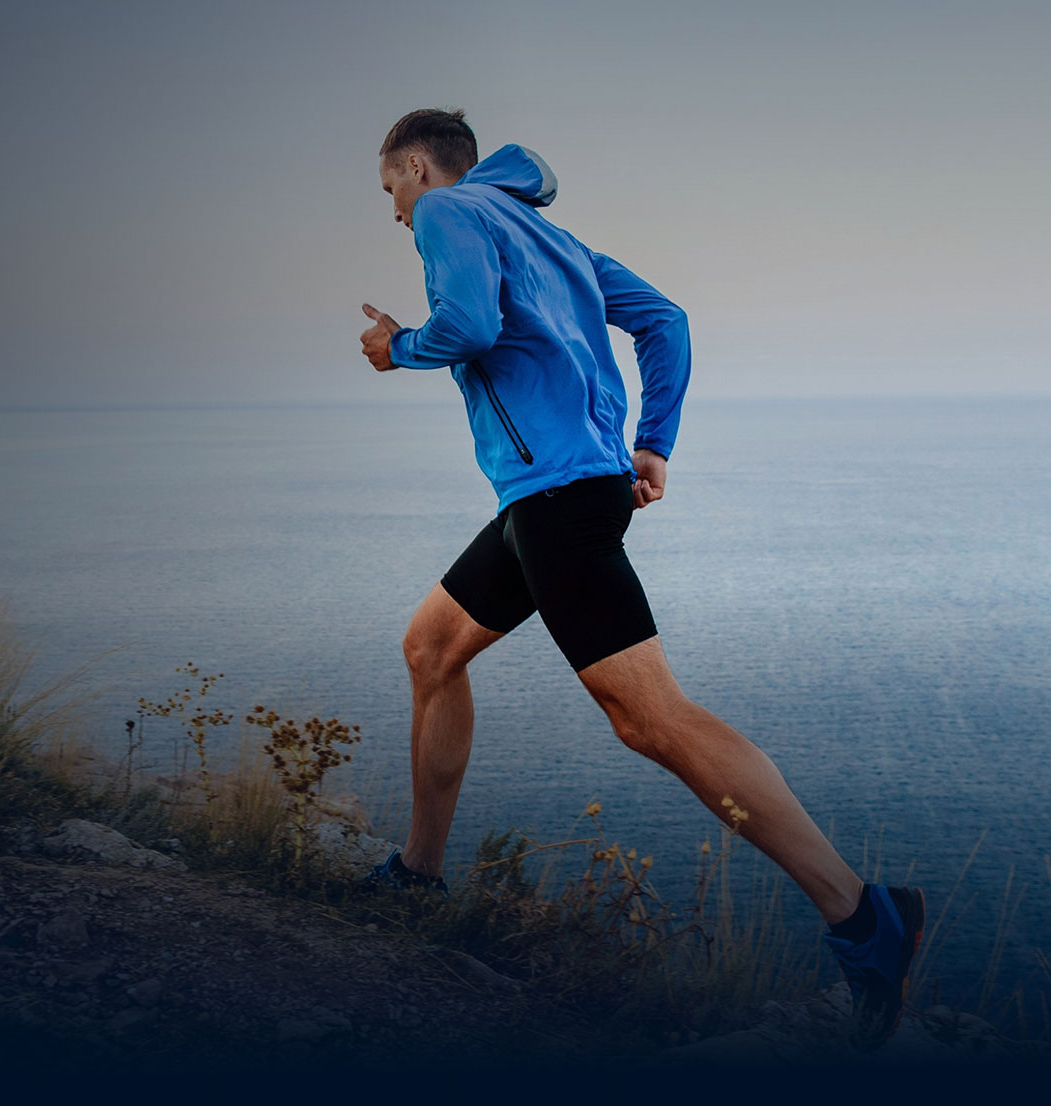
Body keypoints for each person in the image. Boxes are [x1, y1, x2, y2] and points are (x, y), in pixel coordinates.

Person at [354, 108, 922, 1050]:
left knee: (651, 719)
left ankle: (863, 916)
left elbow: (467, 324)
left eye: (393, 193)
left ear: (419, 167)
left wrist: (396, 348)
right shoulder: (550, 234)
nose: (399, 217)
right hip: (558, 496)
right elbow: (666, 320)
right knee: (431, 648)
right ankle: (418, 874)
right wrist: (653, 442)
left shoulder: (453, 214)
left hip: (559, 502)